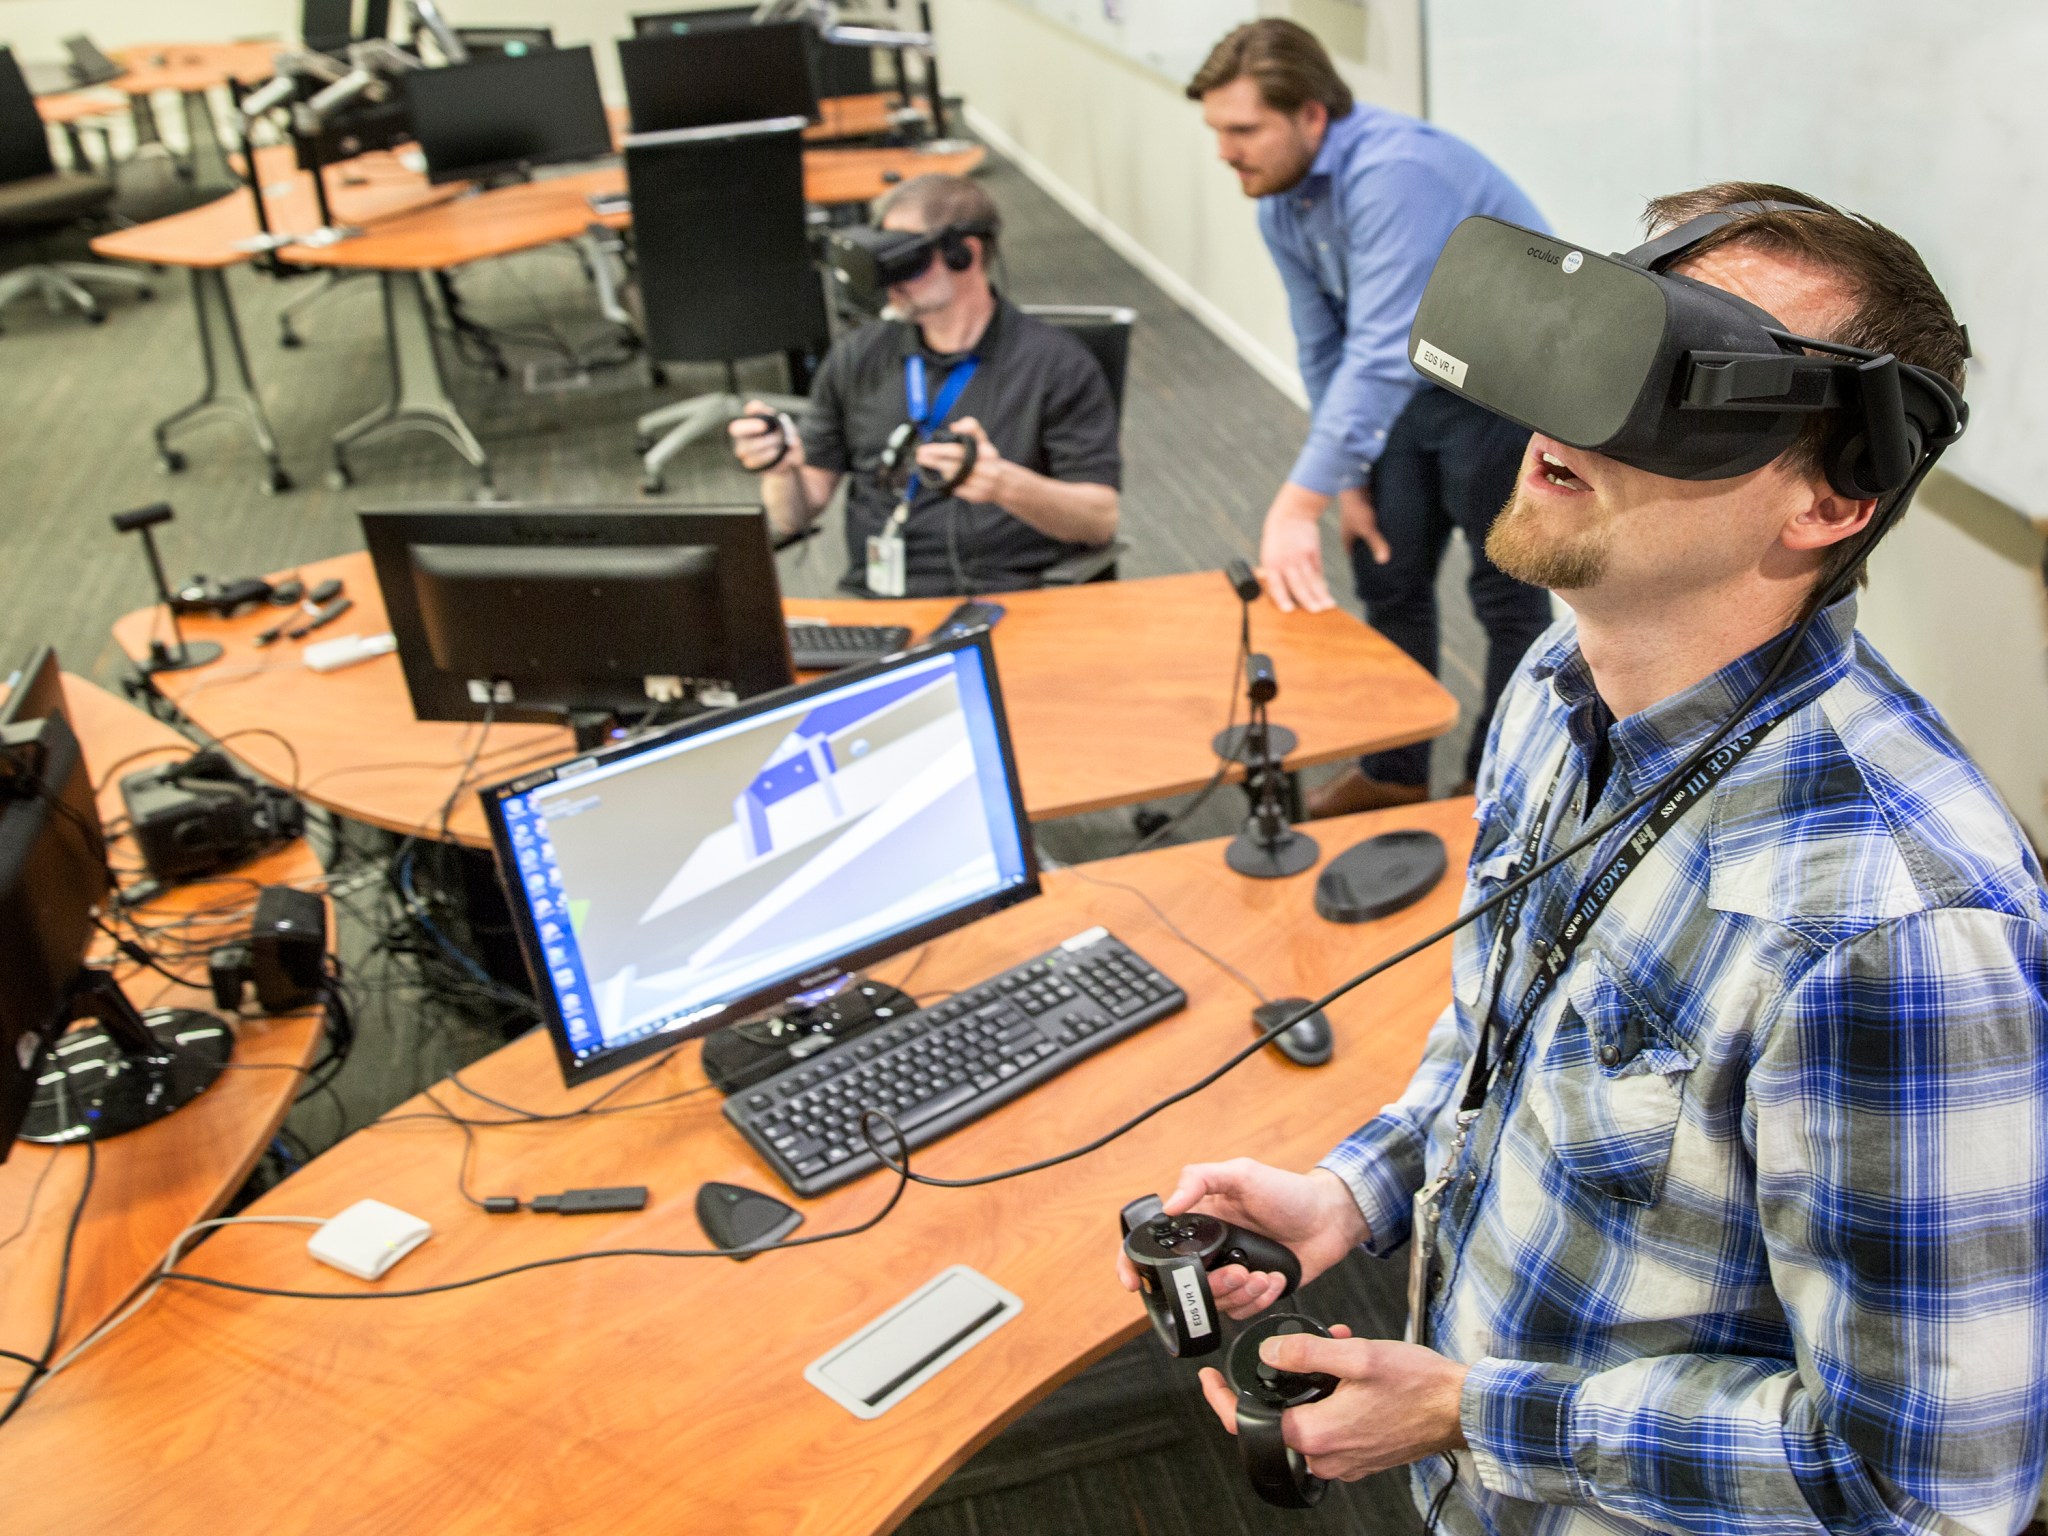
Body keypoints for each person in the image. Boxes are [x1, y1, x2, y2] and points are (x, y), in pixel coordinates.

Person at [1116, 184, 2048, 1536]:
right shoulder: (1560, 684)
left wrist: (1468, 1411)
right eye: (1597, 340)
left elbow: (1934, 1486)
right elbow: (1510, 1050)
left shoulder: (1895, 930)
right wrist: (1353, 1190)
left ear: (1830, 501)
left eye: (1672, 384)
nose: (1564, 416)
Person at [1188, 20, 1556, 814]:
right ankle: (1392, 776)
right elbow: (1325, 346)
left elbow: (1382, 348)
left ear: (1313, 114)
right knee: (1388, 575)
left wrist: (1299, 501)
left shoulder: (1397, 173)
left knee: (1506, 599)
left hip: (1499, 395)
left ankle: (1488, 791)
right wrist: (1346, 479)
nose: (1226, 150)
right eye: (1218, 129)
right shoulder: (1279, 200)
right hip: (1408, 392)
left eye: (1244, 129)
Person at [728, 174, 1121, 597]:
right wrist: (780, 468)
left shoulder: (1055, 364)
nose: (889, 280)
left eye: (905, 260)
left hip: (1005, 599)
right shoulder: (857, 357)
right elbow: (794, 516)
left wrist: (1004, 484)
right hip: (878, 604)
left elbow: (1099, 520)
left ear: (964, 255)